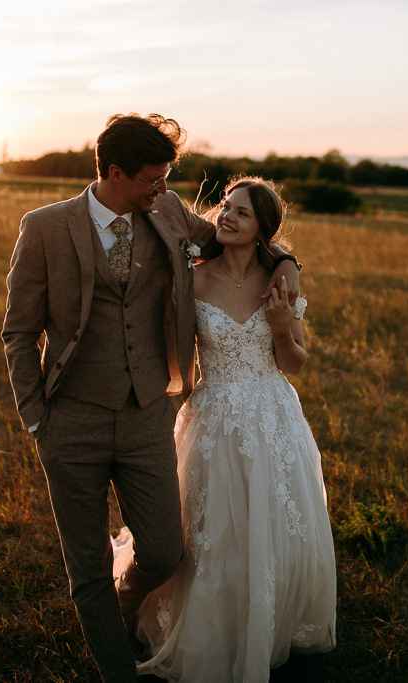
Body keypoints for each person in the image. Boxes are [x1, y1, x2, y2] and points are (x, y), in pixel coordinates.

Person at [1, 115, 299, 683]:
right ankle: (119, 671)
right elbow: (18, 331)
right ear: (115, 173)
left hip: (148, 418)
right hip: (70, 422)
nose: (164, 190)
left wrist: (286, 261)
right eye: (153, 180)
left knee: (165, 552)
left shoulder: (166, 212)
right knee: (86, 564)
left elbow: (238, 240)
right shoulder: (44, 227)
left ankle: (122, 609)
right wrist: (37, 418)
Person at [113, 177, 337, 682]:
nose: (226, 217)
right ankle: (207, 625)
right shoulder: (193, 278)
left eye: (241, 213)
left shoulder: (280, 279)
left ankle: (265, 623)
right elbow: (176, 357)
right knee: (207, 532)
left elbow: (295, 363)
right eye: (224, 206)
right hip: (212, 416)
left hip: (272, 414)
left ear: (262, 230)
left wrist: (281, 327)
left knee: (272, 528)